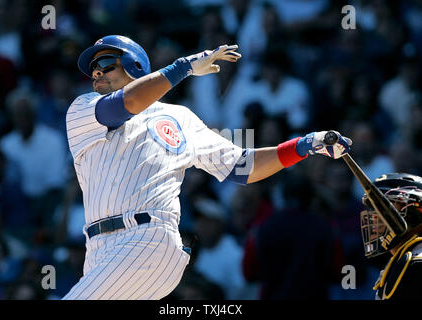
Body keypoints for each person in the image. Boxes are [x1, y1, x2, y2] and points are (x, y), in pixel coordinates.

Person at [63, 34, 352, 300]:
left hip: (147, 238)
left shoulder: (179, 117)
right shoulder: (82, 108)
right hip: (99, 252)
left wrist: (303, 146)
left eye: (104, 63)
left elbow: (243, 167)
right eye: (93, 69)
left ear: (134, 65)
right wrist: (185, 66)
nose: (96, 73)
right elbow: (127, 102)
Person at [359, 173, 422, 300]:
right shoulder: (401, 259)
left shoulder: (417, 264)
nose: (374, 215)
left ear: (414, 210)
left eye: (384, 206)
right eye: (373, 207)